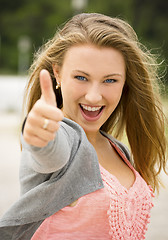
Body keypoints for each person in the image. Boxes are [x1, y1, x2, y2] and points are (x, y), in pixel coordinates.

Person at [0, 13, 167, 240]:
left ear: (125, 81)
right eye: (81, 77)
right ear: (57, 73)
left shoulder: (117, 149)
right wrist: (39, 133)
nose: (94, 96)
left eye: (110, 80)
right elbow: (50, 151)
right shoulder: (62, 137)